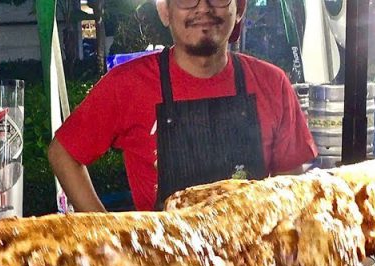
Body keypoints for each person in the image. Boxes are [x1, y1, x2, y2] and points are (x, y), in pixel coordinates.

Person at [48, 0, 316, 212]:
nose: (203, 7)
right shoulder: (128, 84)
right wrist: (107, 236)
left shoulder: (273, 83)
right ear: (165, 11)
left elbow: (290, 193)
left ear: (240, 8)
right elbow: (64, 154)